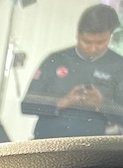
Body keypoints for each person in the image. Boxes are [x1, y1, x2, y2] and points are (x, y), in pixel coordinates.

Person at [21, 4, 123, 139]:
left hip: (95, 146)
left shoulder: (119, 66)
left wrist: (102, 104)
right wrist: (63, 102)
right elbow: (26, 105)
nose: (93, 48)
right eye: (86, 41)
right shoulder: (57, 59)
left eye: (100, 42)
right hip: (49, 141)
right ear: (77, 34)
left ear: (110, 37)